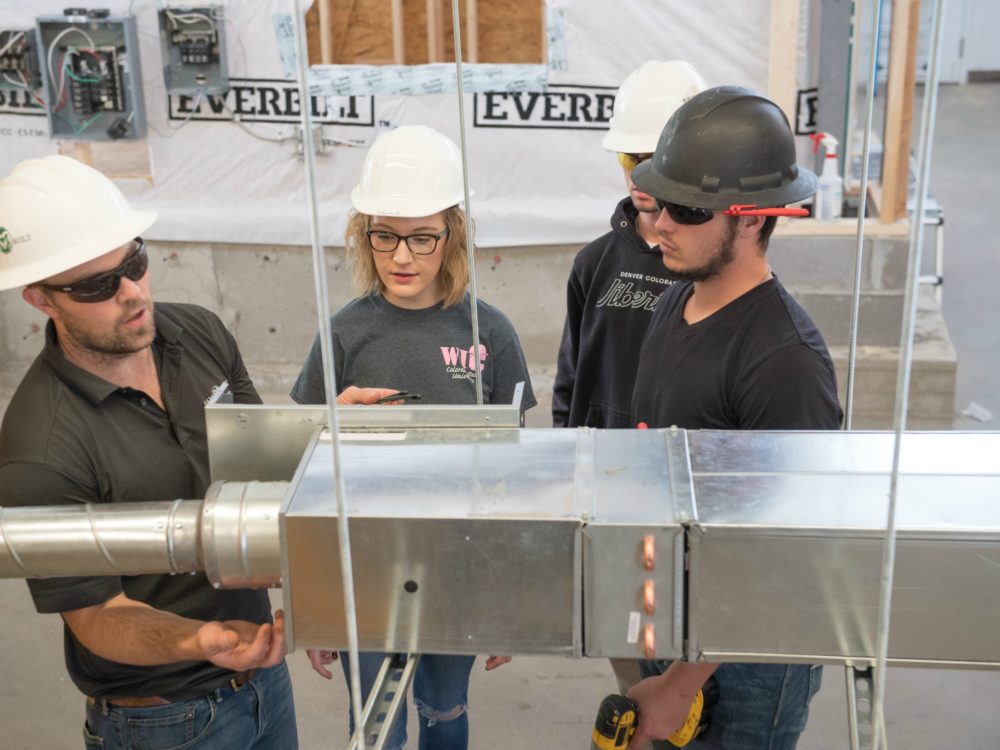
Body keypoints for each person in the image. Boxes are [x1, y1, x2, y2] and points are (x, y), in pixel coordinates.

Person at [0, 155, 297, 749]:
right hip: (165, 718)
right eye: (95, 285)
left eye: (134, 259)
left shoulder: (198, 332)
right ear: (40, 299)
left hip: (265, 677)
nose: (133, 292)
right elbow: (96, 616)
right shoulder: (40, 449)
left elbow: (262, 462)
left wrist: (334, 428)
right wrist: (198, 639)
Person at [290, 124, 536, 750]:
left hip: (459, 560)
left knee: (444, 710)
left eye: (423, 237)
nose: (402, 256)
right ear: (362, 235)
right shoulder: (344, 335)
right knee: (374, 724)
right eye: (385, 235)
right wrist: (315, 597)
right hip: (363, 570)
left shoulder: (493, 334)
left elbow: (514, 477)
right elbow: (307, 478)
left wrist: (504, 593)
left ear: (453, 235)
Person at [626, 87, 844, 748]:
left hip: (749, 655)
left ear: (753, 218)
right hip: (682, 615)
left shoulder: (785, 363)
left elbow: (773, 555)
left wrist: (679, 686)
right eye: (659, 201)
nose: (659, 223)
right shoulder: (675, 303)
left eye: (687, 209)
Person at [552, 60, 706, 431]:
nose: (638, 175)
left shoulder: (707, 267)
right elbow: (569, 381)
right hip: (598, 464)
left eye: (653, 161)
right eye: (630, 159)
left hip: (678, 460)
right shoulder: (592, 262)